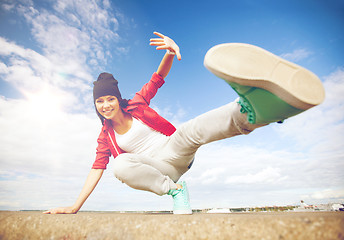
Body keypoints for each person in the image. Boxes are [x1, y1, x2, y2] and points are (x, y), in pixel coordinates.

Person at [44, 32, 325, 214]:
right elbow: (96, 170)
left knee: (192, 130)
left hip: (175, 148)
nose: (105, 105)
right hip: (159, 170)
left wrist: (169, 52)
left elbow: (157, 79)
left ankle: (256, 110)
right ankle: (177, 192)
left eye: (109, 99)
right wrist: (74, 206)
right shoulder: (105, 137)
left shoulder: (137, 104)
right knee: (120, 165)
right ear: (96, 106)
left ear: (118, 98)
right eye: (99, 101)